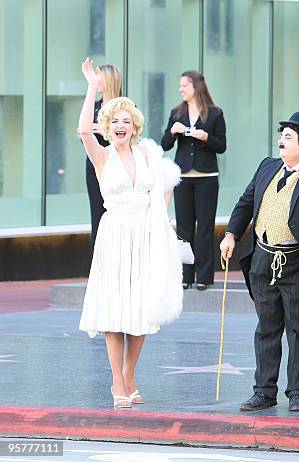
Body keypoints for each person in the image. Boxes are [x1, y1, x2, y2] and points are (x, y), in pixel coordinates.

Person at [219, 112, 299, 412]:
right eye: (282, 135)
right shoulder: (268, 166)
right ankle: (264, 390)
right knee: (266, 327)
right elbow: (246, 202)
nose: (281, 141)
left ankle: (297, 391)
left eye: (288, 137)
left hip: (295, 263)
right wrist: (232, 233)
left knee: (298, 328)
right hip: (262, 258)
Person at [77, 58, 182, 409]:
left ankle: (131, 373)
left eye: (126, 121)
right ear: (107, 126)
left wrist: (166, 228)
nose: (120, 126)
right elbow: (83, 131)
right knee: (114, 309)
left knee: (141, 310)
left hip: (145, 235)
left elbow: (163, 191)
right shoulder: (102, 157)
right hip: (115, 235)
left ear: (134, 126)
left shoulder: (148, 154)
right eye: (114, 121)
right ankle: (117, 381)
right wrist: (93, 85)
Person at [161, 70, 227, 291]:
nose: (180, 89)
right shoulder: (176, 113)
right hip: (183, 177)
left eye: (184, 85)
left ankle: (204, 277)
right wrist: (173, 131)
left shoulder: (215, 114)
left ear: (196, 87)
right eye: (180, 86)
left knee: (206, 227)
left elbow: (222, 146)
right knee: (184, 228)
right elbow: (165, 144)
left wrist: (206, 137)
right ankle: (184, 276)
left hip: (207, 177)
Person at [84, 63, 122, 249]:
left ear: (110, 79)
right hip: (94, 165)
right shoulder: (94, 106)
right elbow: (84, 136)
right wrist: (86, 133)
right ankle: (96, 268)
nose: (97, 81)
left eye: (100, 77)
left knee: (117, 214)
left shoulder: (124, 106)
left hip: (118, 166)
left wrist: (105, 130)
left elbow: (133, 138)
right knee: (97, 215)